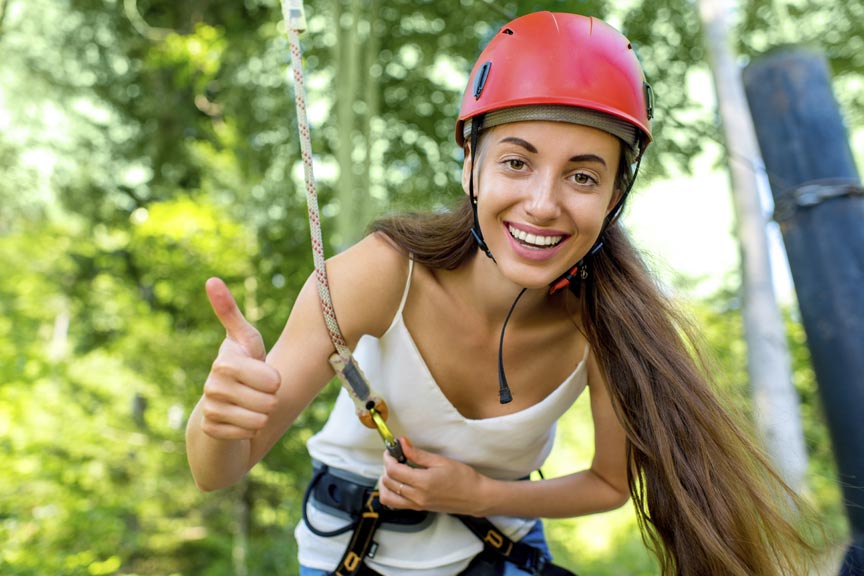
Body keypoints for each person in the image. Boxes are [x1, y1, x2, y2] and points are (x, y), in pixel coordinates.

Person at [186, 11, 818, 576]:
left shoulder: (609, 322)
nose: (543, 205)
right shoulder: (380, 275)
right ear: (471, 164)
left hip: (501, 551)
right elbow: (219, 470)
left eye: (582, 176)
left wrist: (481, 495)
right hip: (351, 551)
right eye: (517, 162)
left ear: (614, 198)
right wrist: (216, 420)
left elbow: (607, 482)